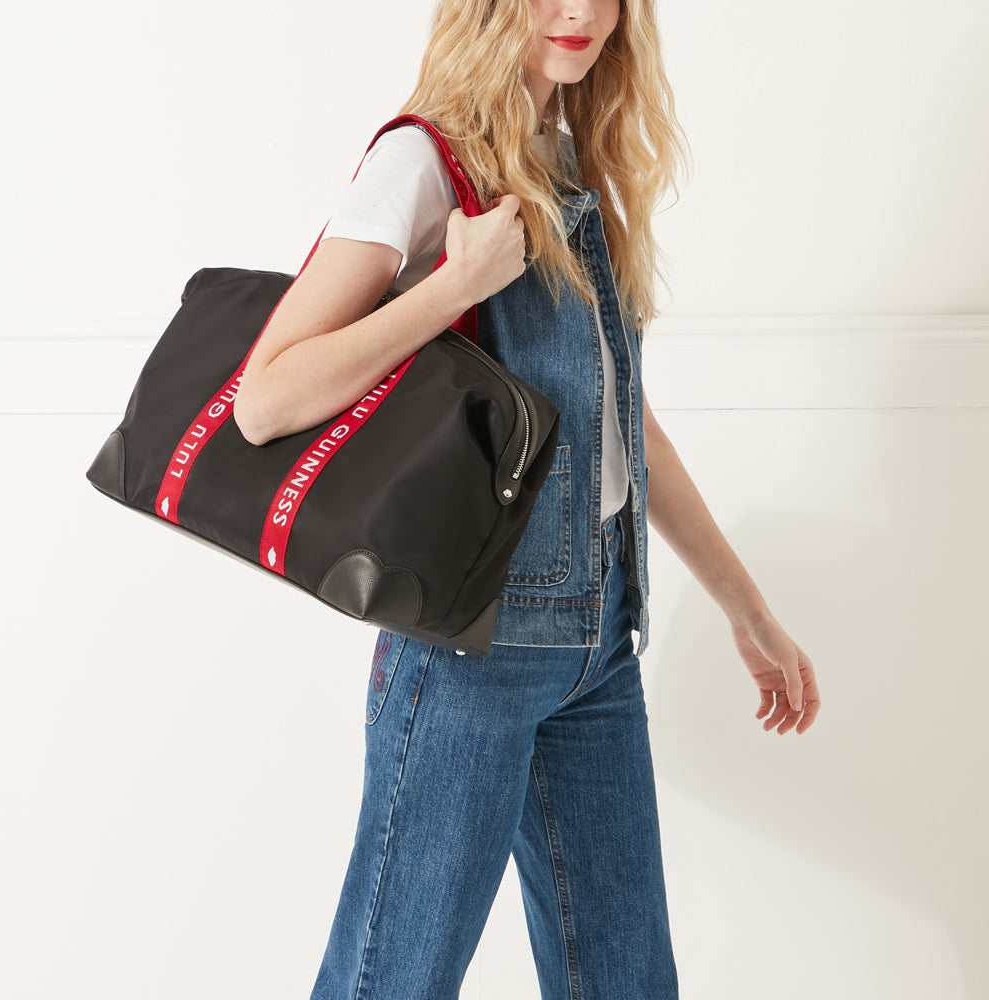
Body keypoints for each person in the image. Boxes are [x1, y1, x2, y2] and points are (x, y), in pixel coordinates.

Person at [234, 0, 822, 997]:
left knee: (628, 983)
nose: (581, 12)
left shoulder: (567, 160)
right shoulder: (422, 164)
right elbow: (265, 398)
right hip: (470, 660)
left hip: (597, 653)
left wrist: (747, 609)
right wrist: (444, 288)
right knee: (394, 981)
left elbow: (622, 424)